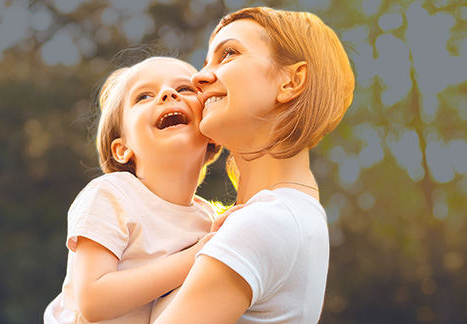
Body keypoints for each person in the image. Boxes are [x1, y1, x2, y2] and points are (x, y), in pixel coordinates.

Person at [152, 7, 355, 324]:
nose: (198, 77)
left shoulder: (265, 222)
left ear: (291, 81)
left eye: (228, 53)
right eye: (206, 61)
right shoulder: (289, 214)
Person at [43, 56, 223, 324]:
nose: (167, 93)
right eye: (143, 96)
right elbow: (93, 300)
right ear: (122, 148)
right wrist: (198, 255)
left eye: (185, 89)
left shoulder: (209, 221)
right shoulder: (111, 195)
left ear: (211, 131)